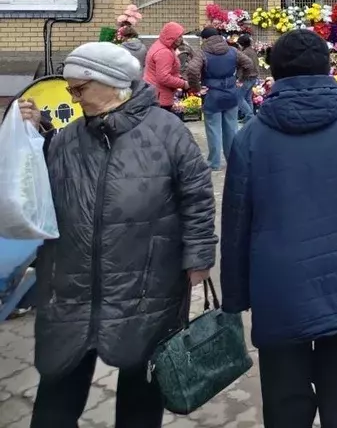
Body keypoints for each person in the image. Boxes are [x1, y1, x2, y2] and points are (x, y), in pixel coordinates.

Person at [220, 29, 337, 428]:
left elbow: (236, 220)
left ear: (274, 72)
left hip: (280, 289)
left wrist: (236, 296)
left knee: (284, 392)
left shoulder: (251, 137)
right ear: (328, 69)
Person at [18, 42, 216, 428]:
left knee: (140, 394)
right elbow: (44, 188)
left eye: (79, 89)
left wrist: (199, 256)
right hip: (74, 284)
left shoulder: (166, 131)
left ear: (111, 84)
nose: (73, 99)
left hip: (147, 282)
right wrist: (36, 135)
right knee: (56, 397)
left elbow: (197, 195)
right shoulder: (70, 137)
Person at [186, 27, 239, 171]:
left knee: (214, 130)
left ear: (204, 39)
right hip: (231, 94)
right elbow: (248, 64)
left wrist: (196, 88)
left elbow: (191, 70)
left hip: (212, 95)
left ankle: (214, 163)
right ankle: (233, 161)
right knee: (232, 129)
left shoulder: (202, 53)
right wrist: (240, 79)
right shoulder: (233, 51)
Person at [144, 21, 188, 113]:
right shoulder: (164, 52)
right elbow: (163, 77)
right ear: (171, 37)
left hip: (155, 93)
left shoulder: (161, 45)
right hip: (160, 96)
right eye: (179, 36)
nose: (181, 39)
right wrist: (183, 84)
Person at [234, 33, 260, 125]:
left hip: (246, 78)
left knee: (239, 97)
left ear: (242, 44)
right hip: (253, 77)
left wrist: (239, 79)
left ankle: (250, 116)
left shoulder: (244, 53)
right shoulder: (252, 51)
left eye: (239, 44)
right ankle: (249, 118)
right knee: (247, 98)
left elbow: (243, 67)